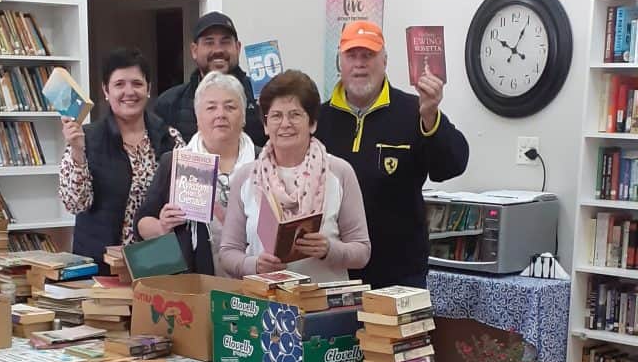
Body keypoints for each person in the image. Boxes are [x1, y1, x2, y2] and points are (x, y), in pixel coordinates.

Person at [316, 20, 469, 290]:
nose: (360, 63)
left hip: (399, 276)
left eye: (368, 55)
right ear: (340, 63)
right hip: (331, 272)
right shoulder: (317, 119)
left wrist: (431, 116)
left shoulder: (415, 110)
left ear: (385, 61)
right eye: (352, 55)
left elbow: (452, 165)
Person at [220, 69, 370, 283]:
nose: (285, 124)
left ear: (313, 123)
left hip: (324, 305)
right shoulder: (247, 176)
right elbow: (228, 253)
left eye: (295, 114)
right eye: (276, 116)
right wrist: (254, 265)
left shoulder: (339, 172)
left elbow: (362, 251)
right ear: (264, 125)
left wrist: (329, 249)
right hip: (264, 304)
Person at [59, 48, 182, 271]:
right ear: (106, 91)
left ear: (149, 88)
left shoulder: (169, 137)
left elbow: (184, 199)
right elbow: (75, 203)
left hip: (157, 261)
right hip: (102, 263)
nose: (129, 92)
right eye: (119, 84)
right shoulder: (86, 137)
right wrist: (77, 152)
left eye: (137, 83)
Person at [136, 72, 256, 273]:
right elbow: (142, 222)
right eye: (211, 107)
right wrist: (162, 226)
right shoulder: (175, 162)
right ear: (197, 117)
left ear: (243, 116)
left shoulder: (262, 162)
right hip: (196, 283)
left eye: (230, 107)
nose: (221, 114)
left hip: (254, 279)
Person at [152, 11, 264, 146]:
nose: (218, 50)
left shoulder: (262, 96)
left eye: (225, 42)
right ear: (194, 50)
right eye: (209, 42)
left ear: (238, 48)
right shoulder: (168, 103)